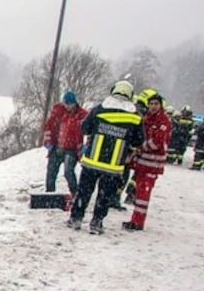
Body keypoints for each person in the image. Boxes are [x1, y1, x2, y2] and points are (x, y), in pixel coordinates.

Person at [67, 80, 144, 234]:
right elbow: (139, 139)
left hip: (92, 161)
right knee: (105, 196)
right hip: (114, 166)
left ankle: (76, 218)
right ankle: (96, 222)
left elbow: (84, 128)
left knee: (84, 191)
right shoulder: (135, 117)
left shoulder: (99, 109)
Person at [122, 92, 171, 231]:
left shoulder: (164, 121)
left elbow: (158, 142)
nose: (153, 107)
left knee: (143, 194)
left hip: (152, 164)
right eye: (151, 104)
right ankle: (135, 219)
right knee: (139, 193)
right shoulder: (146, 119)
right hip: (142, 163)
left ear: (161, 105)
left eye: (156, 104)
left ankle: (137, 222)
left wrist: (140, 147)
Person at [43, 90, 88, 194]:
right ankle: (50, 193)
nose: (67, 107)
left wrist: (85, 147)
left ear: (75, 103)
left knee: (68, 172)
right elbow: (48, 126)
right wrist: (48, 141)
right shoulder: (59, 112)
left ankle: (75, 193)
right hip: (57, 146)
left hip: (72, 150)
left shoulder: (82, 115)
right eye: (65, 104)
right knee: (51, 171)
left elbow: (91, 131)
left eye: (70, 104)